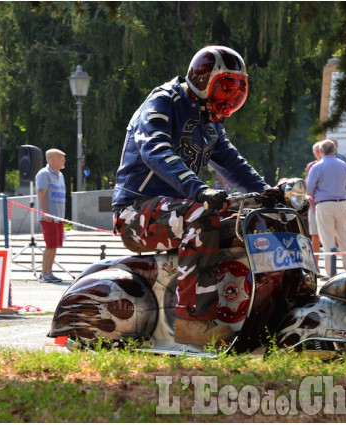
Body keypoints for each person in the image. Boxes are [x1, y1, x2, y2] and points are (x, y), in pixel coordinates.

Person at [111, 45, 274, 346]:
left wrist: (267, 194)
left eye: (235, 92)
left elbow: (233, 163)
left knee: (245, 220)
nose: (228, 100)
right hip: (135, 211)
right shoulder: (163, 102)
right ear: (202, 80)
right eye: (224, 90)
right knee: (202, 217)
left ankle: (240, 309)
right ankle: (192, 322)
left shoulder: (210, 121)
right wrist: (198, 190)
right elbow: (155, 149)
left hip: (178, 208)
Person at [306, 140, 346, 277]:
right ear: (334, 150)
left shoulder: (317, 167)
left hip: (324, 204)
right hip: (341, 203)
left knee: (327, 240)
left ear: (321, 151)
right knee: (345, 238)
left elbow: (309, 189)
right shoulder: (343, 165)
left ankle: (330, 273)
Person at [35, 149, 67, 283]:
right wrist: (46, 212)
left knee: (55, 245)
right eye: (61, 158)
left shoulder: (60, 175)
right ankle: (44, 273)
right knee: (50, 245)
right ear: (52, 160)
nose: (64, 160)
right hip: (49, 217)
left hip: (58, 217)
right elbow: (41, 194)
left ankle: (49, 272)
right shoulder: (44, 174)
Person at [305, 141, 323, 263]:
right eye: (316, 151)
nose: (318, 153)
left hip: (325, 203)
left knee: (329, 237)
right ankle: (315, 264)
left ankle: (330, 265)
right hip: (313, 203)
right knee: (314, 235)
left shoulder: (329, 165)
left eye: (320, 150)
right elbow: (307, 185)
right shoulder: (311, 166)